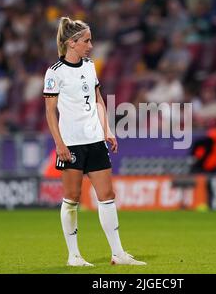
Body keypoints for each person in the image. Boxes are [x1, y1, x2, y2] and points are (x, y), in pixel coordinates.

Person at [43, 17, 146, 267]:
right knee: (72, 198)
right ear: (72, 43)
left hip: (94, 140)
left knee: (107, 195)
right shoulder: (55, 73)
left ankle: (118, 253)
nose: (91, 45)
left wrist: (107, 129)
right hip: (71, 143)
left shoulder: (90, 66)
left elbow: (98, 99)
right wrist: (59, 143)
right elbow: (50, 112)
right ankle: (74, 256)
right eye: (86, 40)